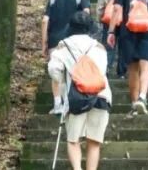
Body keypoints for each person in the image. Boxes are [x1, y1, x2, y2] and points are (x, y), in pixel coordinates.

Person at [48, 11, 111, 170]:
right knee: (94, 142)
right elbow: (102, 70)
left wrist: (65, 79)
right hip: (100, 95)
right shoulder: (98, 47)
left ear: (71, 26)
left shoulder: (63, 46)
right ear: (89, 27)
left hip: (75, 98)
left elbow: (54, 71)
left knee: (73, 140)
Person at [42, 0, 92, 65]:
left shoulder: (53, 0)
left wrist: (44, 44)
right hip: (74, 43)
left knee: (55, 70)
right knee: (74, 70)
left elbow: (45, 21)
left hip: (54, 42)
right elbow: (86, 14)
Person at [97, 0, 130, 74]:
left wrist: (99, 16)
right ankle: (121, 71)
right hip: (124, 17)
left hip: (109, 17)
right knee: (123, 44)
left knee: (109, 43)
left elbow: (101, 1)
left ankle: (107, 67)